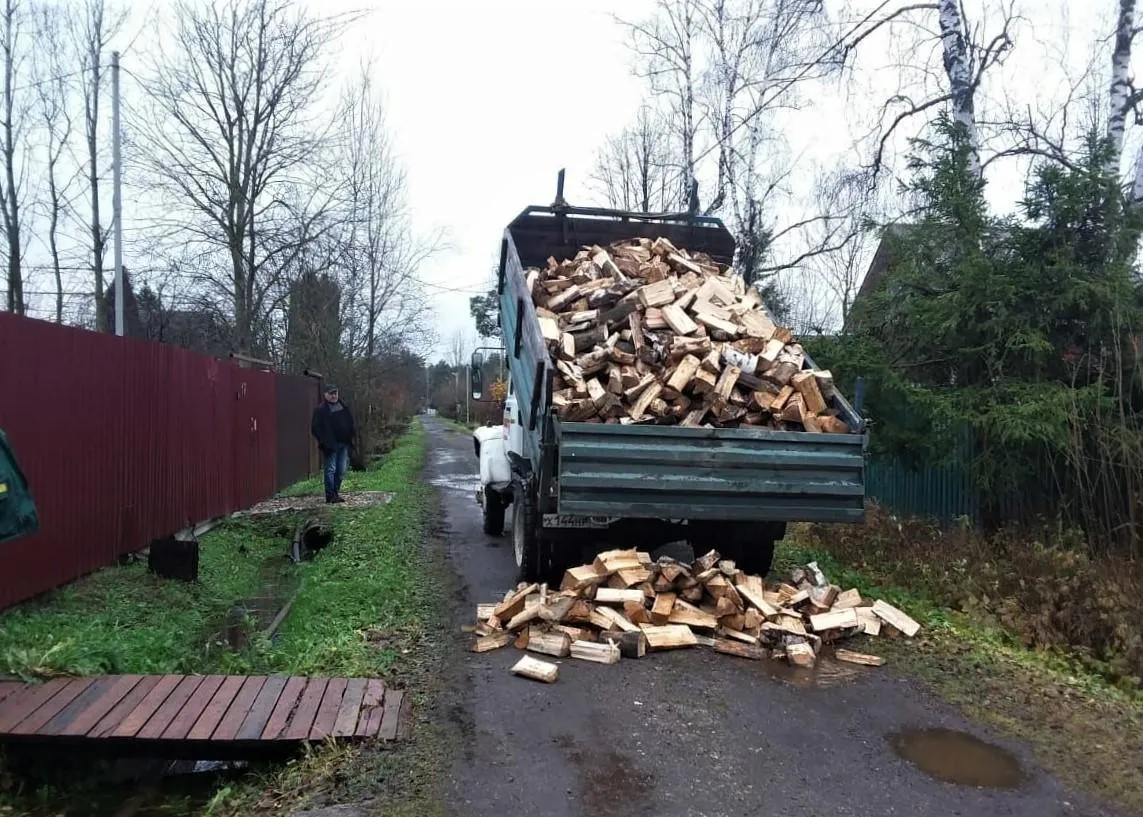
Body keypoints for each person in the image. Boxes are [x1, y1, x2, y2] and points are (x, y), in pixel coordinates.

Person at [311, 383, 355, 504]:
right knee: (330, 469)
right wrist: (324, 441)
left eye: (335, 393)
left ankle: (336, 493)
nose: (334, 395)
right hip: (330, 446)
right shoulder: (321, 409)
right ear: (325, 395)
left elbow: (350, 422)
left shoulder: (343, 406)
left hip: (344, 443)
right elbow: (315, 428)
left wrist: (351, 437)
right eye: (331, 393)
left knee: (341, 470)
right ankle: (330, 496)